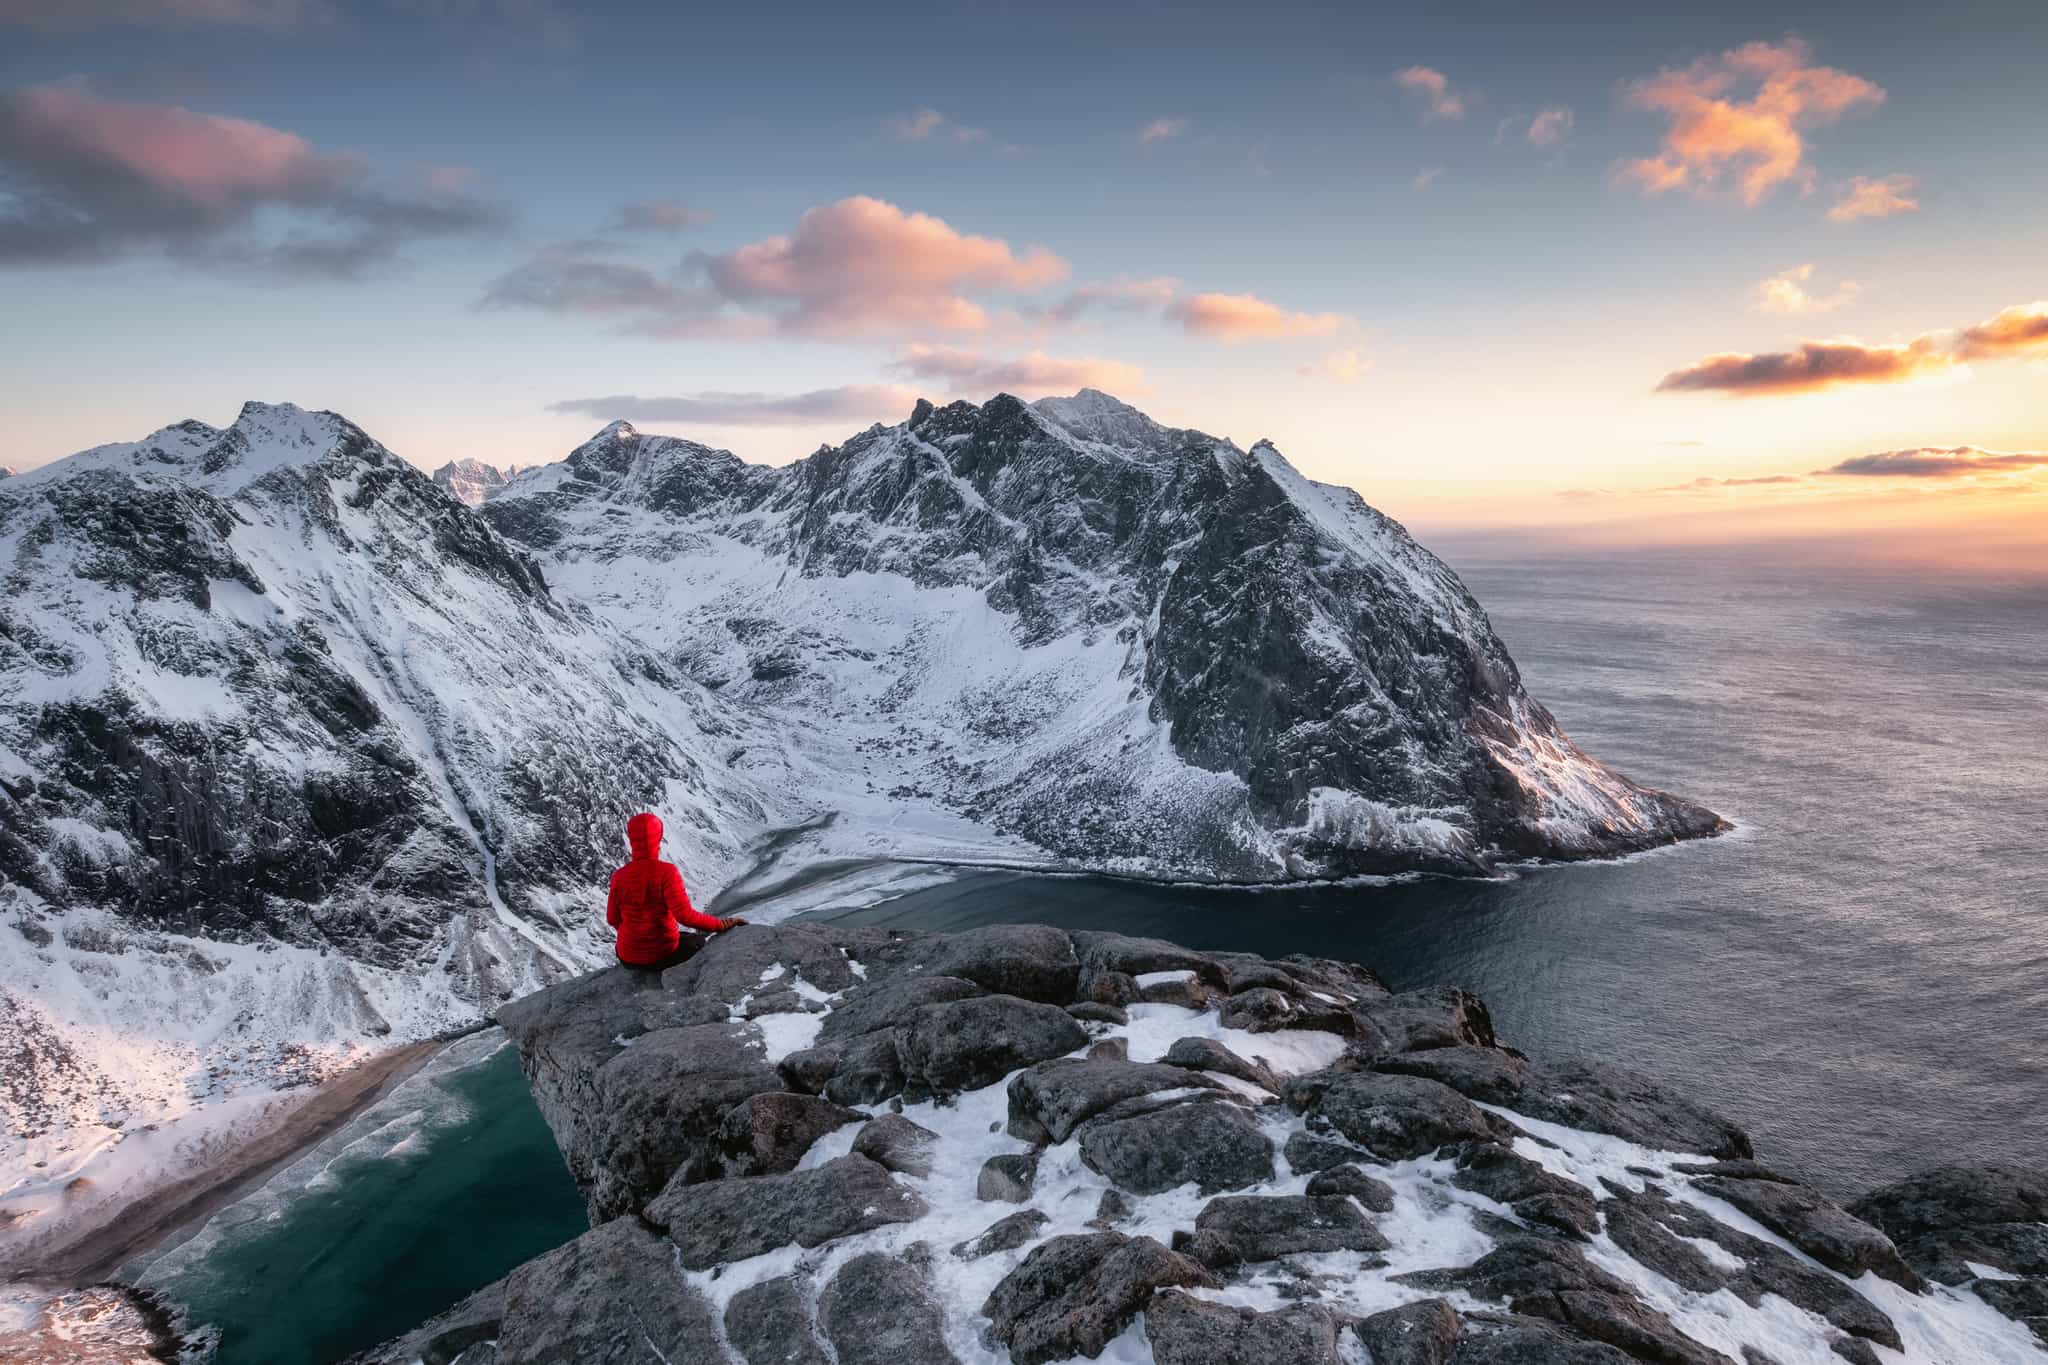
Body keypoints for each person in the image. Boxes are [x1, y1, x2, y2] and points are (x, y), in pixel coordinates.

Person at [607, 811, 744, 971]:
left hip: (627, 957)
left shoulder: (619, 876)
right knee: (697, 941)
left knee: (683, 937)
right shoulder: (666, 872)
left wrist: (635, 937)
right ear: (658, 837)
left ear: (631, 839)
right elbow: (685, 916)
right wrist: (722, 924)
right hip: (662, 954)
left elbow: (612, 918)